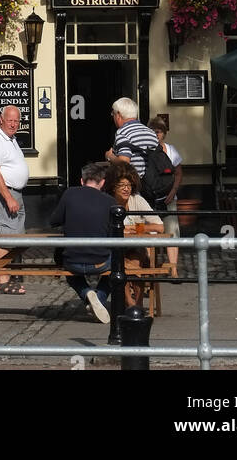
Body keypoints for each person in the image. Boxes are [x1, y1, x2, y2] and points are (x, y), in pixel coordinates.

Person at [49, 161, 114, 324]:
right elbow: (115, 232)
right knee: (118, 266)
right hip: (100, 262)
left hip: (72, 261)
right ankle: (99, 296)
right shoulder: (110, 201)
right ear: (103, 182)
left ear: (81, 181)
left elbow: (54, 221)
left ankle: (87, 294)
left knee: (71, 276)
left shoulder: (69, 194)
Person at [0, 105, 29, 292]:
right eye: (10, 120)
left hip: (15, 192)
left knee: (16, 237)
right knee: (5, 237)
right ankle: (2, 280)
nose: (13, 124)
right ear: (1, 119)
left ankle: (8, 276)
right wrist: (8, 198)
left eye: (17, 120)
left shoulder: (10, 138)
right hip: (6, 193)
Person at [105, 161, 160, 307]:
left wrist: (136, 228)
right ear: (113, 187)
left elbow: (160, 226)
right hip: (115, 250)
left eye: (129, 185)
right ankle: (131, 304)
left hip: (137, 248)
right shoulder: (107, 203)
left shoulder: (137, 200)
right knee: (120, 263)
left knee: (134, 262)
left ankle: (137, 305)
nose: (126, 189)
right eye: (122, 185)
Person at [149, 116, 182, 275]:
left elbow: (179, 173)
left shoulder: (170, 150)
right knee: (150, 233)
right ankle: (151, 268)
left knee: (172, 231)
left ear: (164, 133)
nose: (156, 135)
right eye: (153, 131)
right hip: (152, 198)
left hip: (169, 197)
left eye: (159, 132)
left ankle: (173, 268)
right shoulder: (146, 150)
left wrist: (173, 191)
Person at [106, 97, 159, 178]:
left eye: (113, 114)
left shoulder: (123, 132)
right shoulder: (150, 132)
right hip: (153, 184)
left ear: (118, 115)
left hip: (133, 183)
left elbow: (124, 162)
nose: (112, 117)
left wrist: (110, 156)